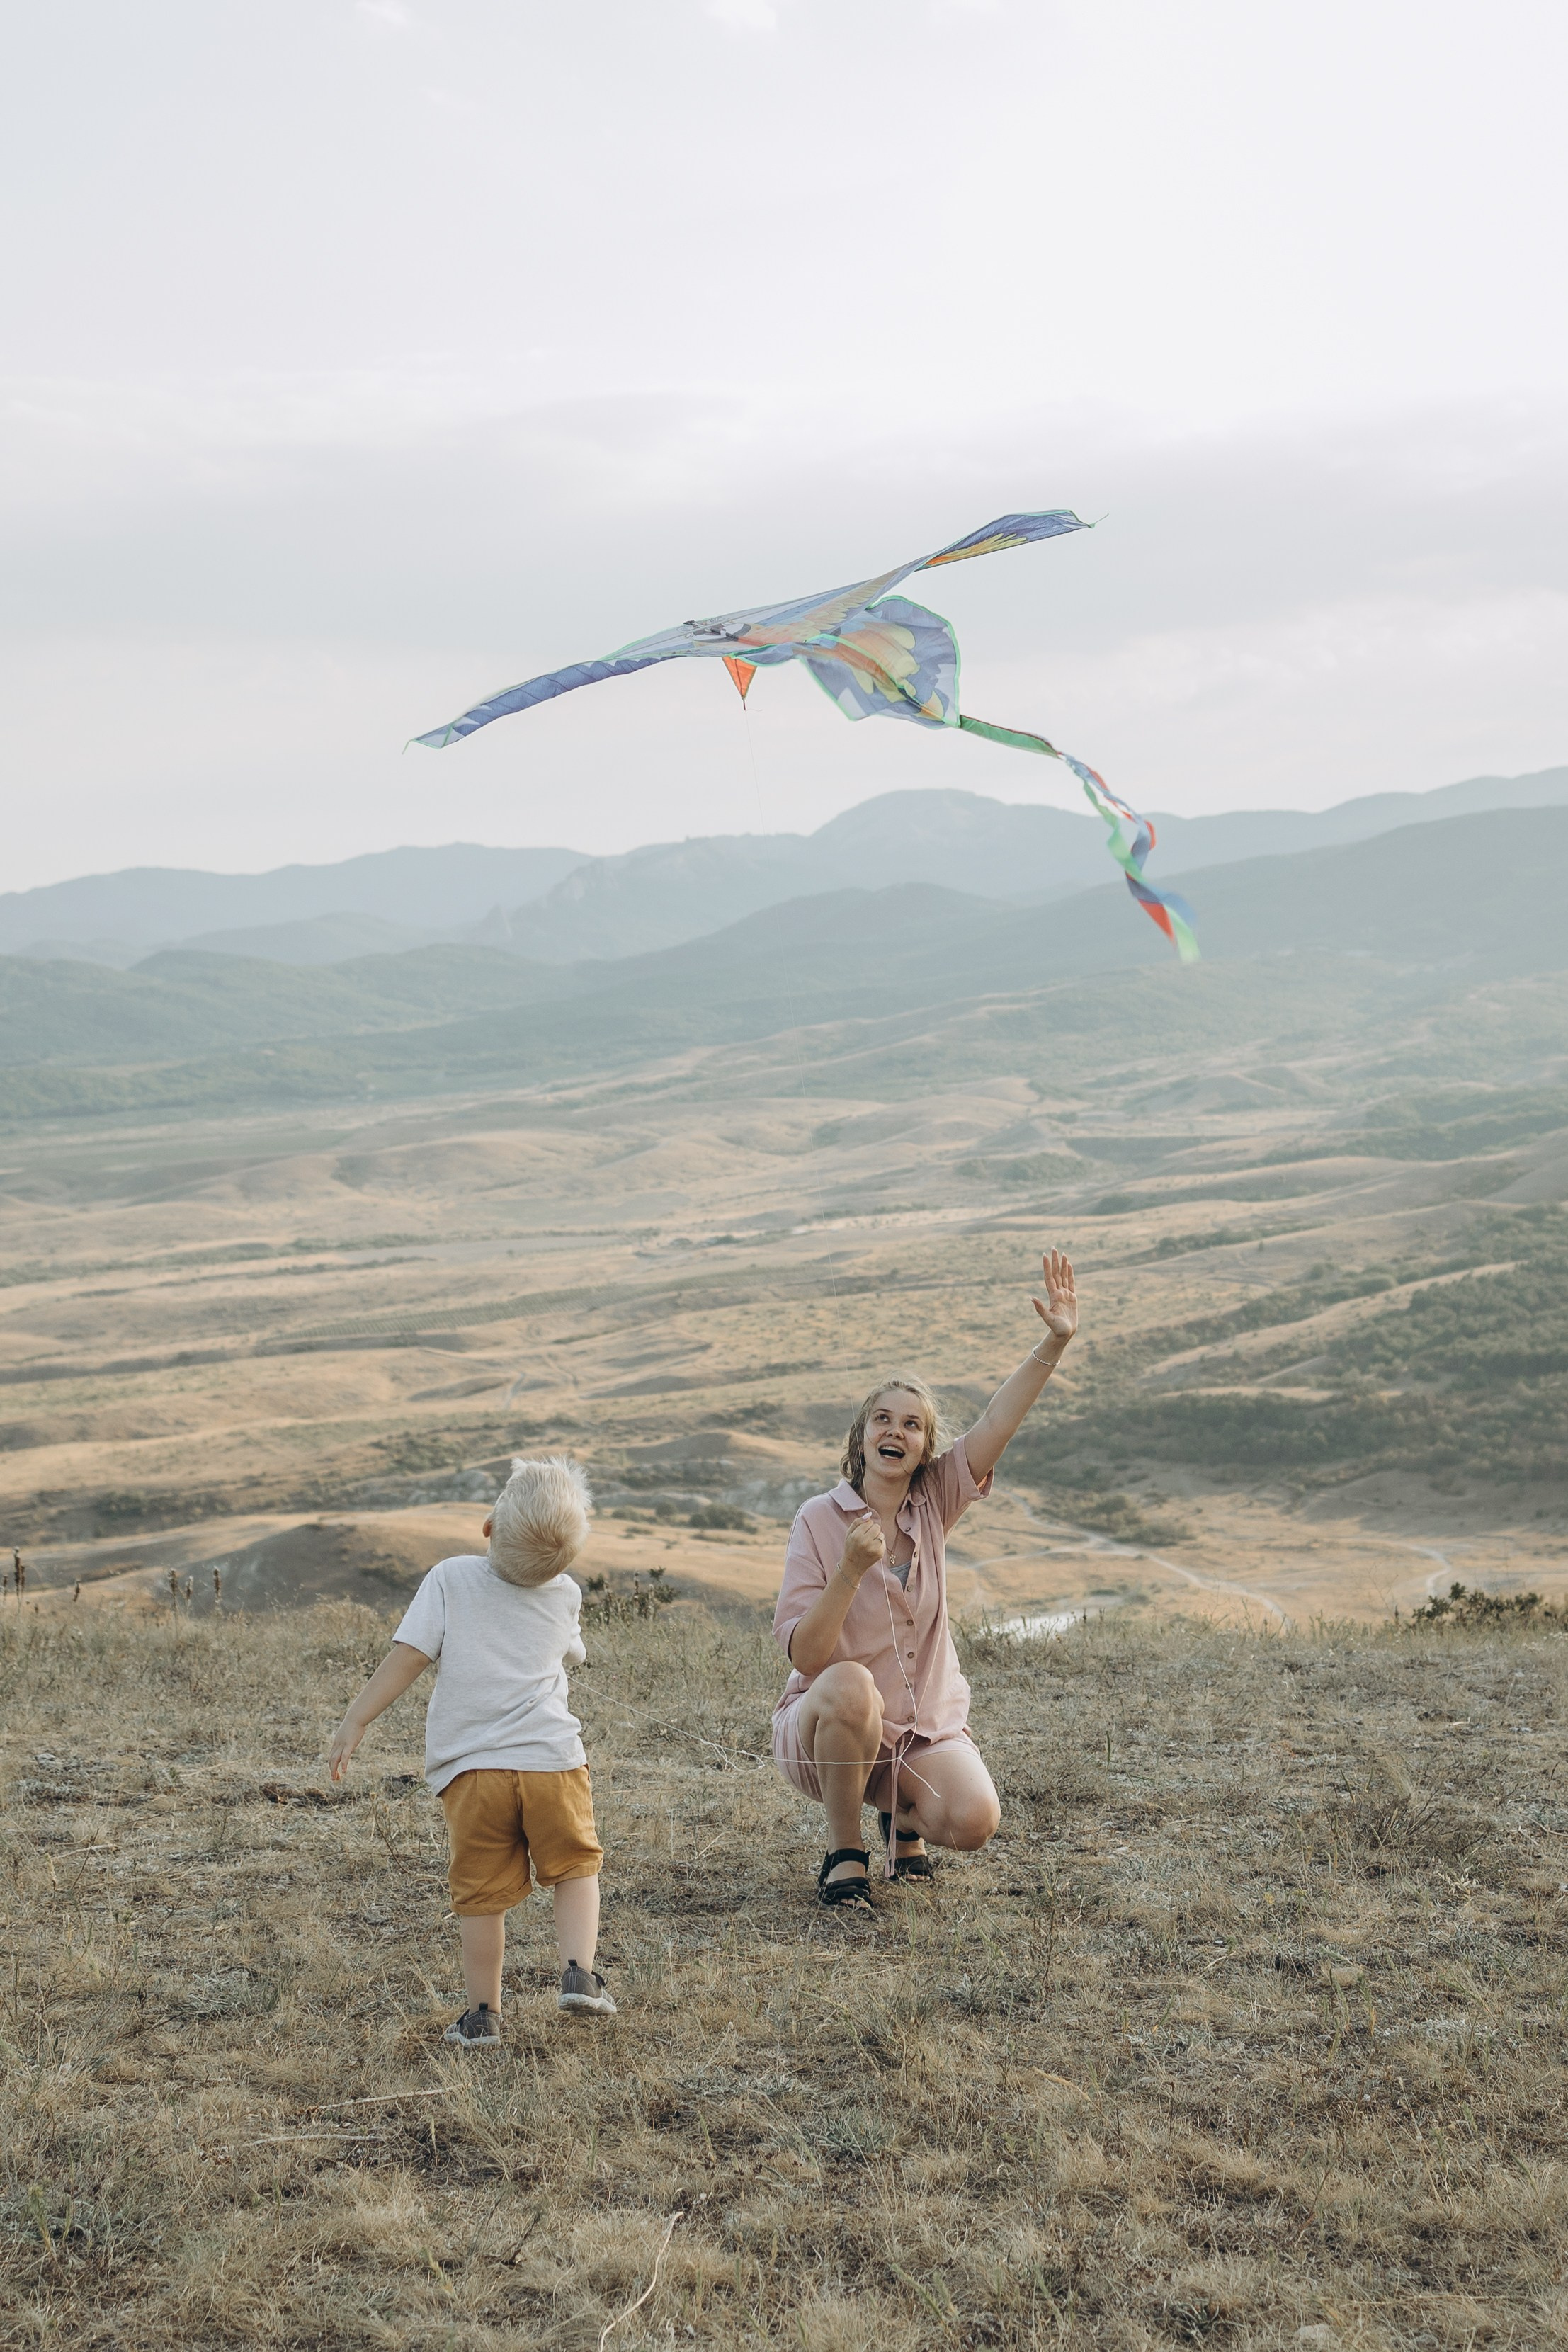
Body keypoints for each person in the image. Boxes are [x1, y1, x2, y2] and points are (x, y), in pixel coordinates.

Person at [772, 1248, 1079, 1907]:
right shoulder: (819, 1519)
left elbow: (999, 1421)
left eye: (912, 1424)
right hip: (826, 1731)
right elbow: (806, 1655)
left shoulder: (934, 1501)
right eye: (882, 1418)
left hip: (922, 1731)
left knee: (974, 1821)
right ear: (860, 1440)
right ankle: (844, 1850)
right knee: (852, 1685)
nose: (896, 1430)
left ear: (923, 1449)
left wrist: (1053, 1344)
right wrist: (852, 1570)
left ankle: (902, 1818)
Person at [327, 1455, 615, 2044]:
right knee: (575, 1867)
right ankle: (580, 1973)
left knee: (483, 1898)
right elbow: (573, 1654)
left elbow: (409, 1654)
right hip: (553, 1766)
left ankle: (484, 2015)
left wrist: (356, 1718)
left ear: (489, 1528)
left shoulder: (450, 1578)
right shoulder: (565, 1592)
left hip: (472, 1774)